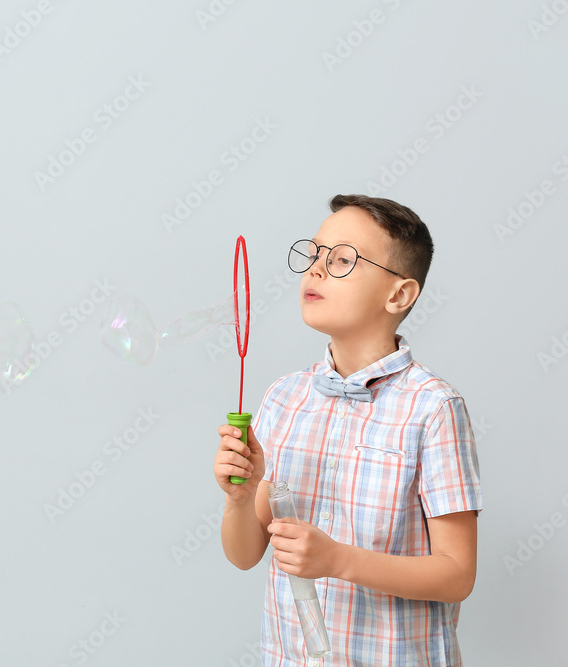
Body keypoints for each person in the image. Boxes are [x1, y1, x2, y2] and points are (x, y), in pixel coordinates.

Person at [214, 194, 483, 666]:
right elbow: (243, 554)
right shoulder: (284, 398)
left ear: (398, 294)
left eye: (340, 260)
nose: (315, 269)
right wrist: (242, 496)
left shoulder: (433, 407)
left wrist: (338, 560)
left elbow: (457, 574)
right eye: (315, 254)